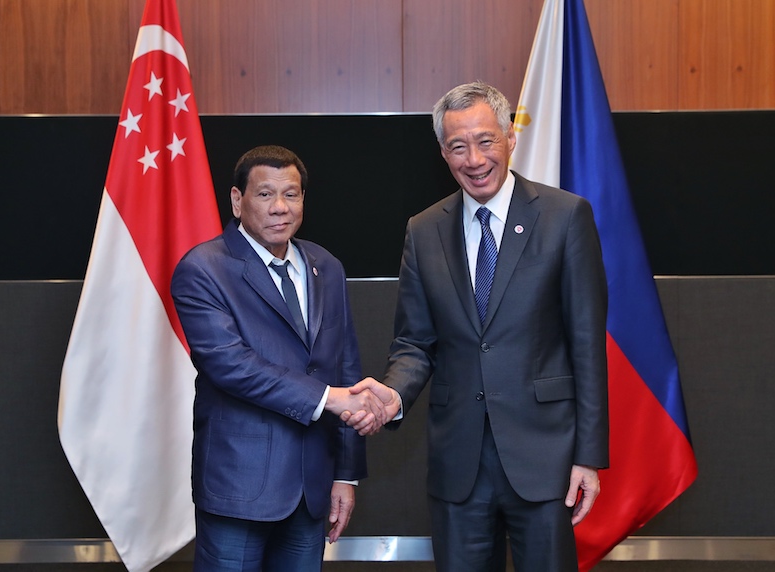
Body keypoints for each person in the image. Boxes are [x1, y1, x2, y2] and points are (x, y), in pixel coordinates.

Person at [348, 81, 609, 571]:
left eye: (485, 141)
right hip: (458, 461)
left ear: (510, 137)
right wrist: (393, 393)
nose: (474, 159)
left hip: (545, 456)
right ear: (443, 154)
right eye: (457, 146)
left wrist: (588, 456)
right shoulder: (423, 229)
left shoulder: (564, 216)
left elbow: (586, 343)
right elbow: (414, 341)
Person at [171, 145, 386, 571]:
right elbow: (232, 366)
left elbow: (344, 367)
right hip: (240, 486)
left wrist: (345, 474)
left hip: (312, 489)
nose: (280, 207)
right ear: (237, 200)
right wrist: (331, 398)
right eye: (265, 194)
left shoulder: (326, 266)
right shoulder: (203, 269)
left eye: (292, 194)